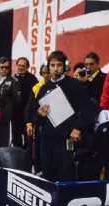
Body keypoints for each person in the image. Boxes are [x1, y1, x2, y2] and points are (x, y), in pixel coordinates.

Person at [30, 51, 95, 182]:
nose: (55, 68)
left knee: (66, 174)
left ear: (64, 67)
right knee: (47, 175)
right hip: (47, 139)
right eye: (52, 65)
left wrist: (78, 128)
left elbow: (87, 110)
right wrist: (40, 116)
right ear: (48, 67)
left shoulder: (74, 85)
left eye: (59, 65)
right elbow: (34, 116)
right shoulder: (43, 88)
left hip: (65, 139)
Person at [0, 57, 21, 152]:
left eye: (6, 67)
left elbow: (17, 100)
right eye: (2, 67)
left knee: (3, 143)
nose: (4, 69)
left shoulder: (13, 81)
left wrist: (9, 111)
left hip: (4, 117)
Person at [26, 63, 49, 173]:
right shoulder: (36, 88)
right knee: (38, 150)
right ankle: (38, 171)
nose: (46, 75)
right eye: (44, 73)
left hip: (53, 125)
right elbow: (30, 108)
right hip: (39, 124)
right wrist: (29, 123)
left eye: (48, 73)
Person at [12, 57, 38, 149]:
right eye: (19, 65)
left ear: (27, 67)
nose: (20, 68)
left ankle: (28, 158)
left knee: (28, 139)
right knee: (16, 138)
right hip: (15, 114)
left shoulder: (33, 79)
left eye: (23, 66)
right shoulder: (13, 79)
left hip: (27, 115)